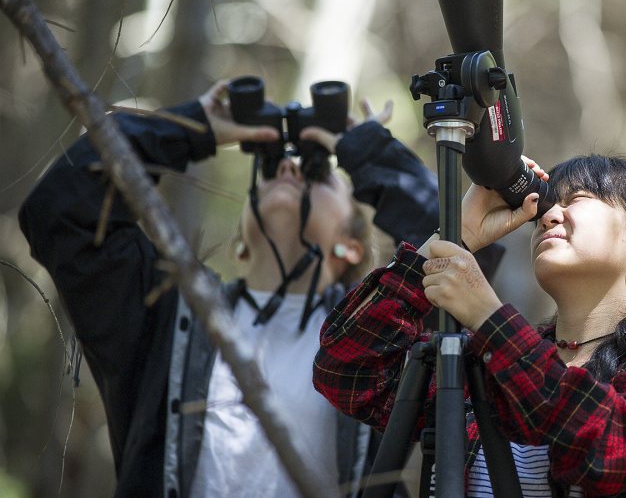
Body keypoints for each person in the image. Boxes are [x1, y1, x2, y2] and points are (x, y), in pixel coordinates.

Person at [18, 80, 486, 497]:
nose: (288, 170)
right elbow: (60, 212)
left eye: (317, 173)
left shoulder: (381, 335)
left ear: (349, 247)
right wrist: (190, 126)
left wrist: (362, 149)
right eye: (272, 169)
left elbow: (461, 248)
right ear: (240, 242)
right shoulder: (166, 314)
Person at [314, 154, 626, 497]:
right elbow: (347, 370)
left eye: (579, 198)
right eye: (548, 206)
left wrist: (488, 318)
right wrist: (455, 234)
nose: (550, 216)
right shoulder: (482, 365)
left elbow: (616, 453)